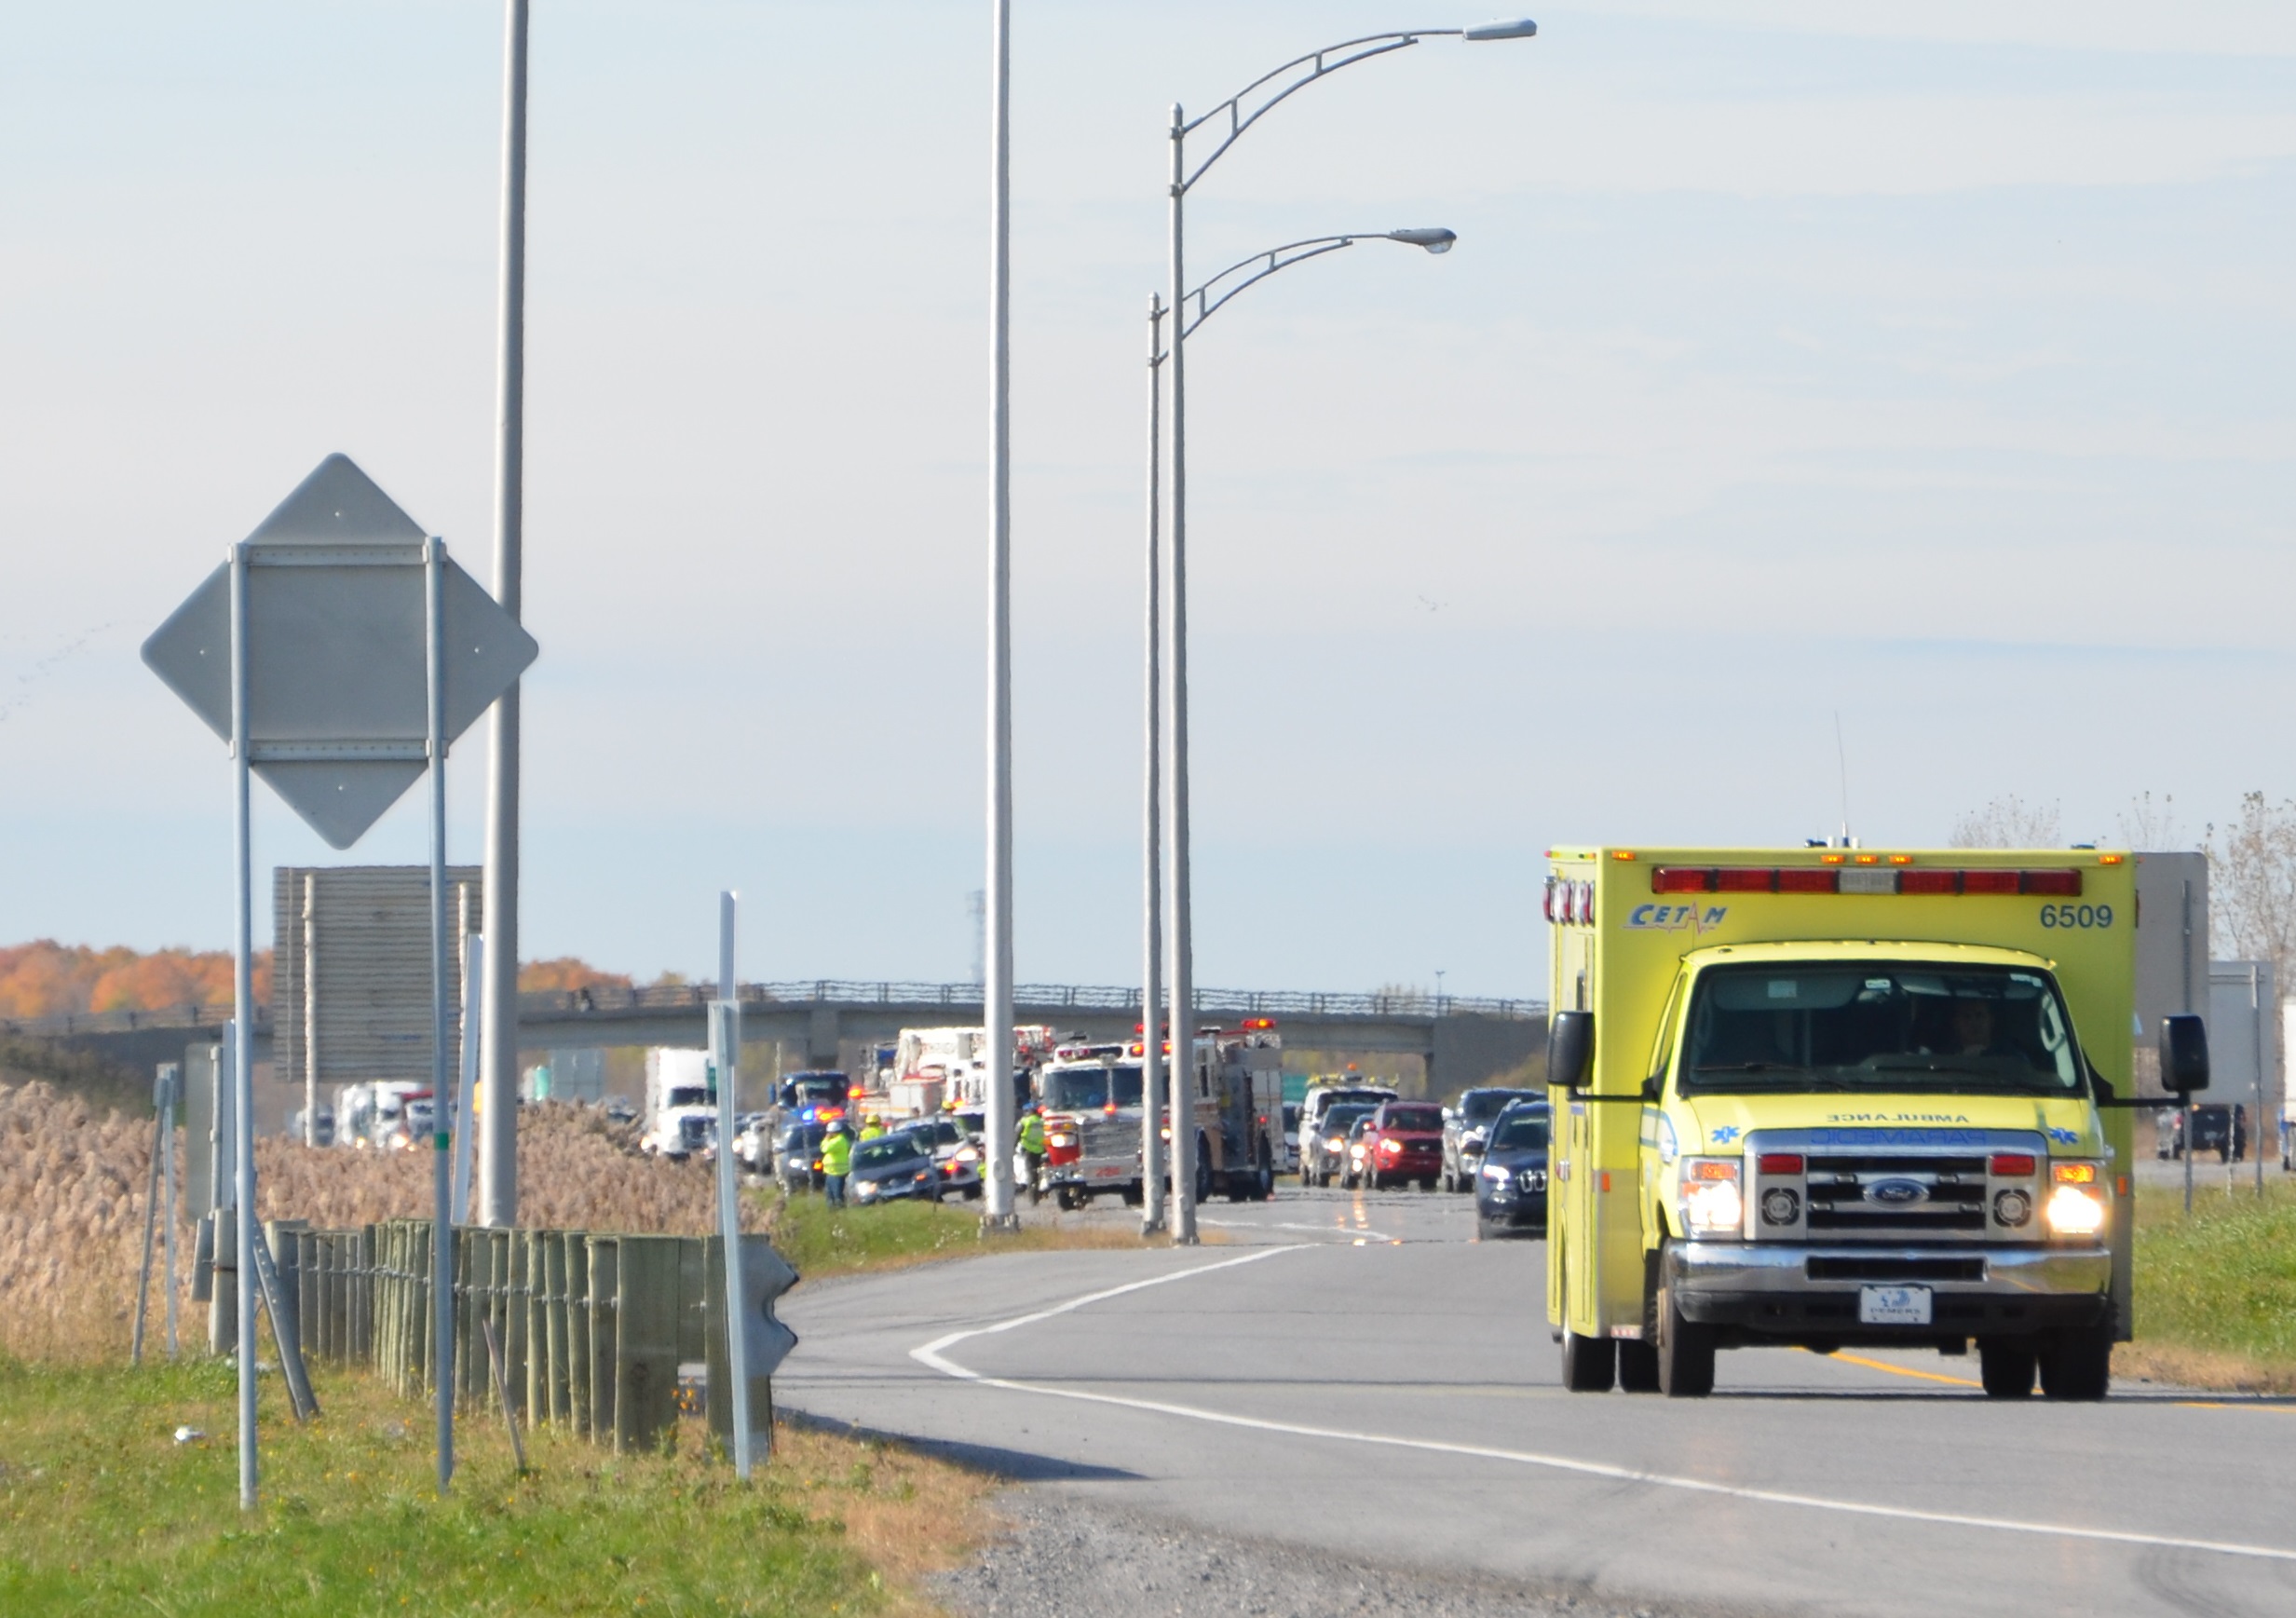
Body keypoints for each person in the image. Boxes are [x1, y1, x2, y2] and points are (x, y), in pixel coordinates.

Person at [1017, 1105, 1047, 1205]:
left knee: (1030, 1174)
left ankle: (1032, 1198)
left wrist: (1012, 1148)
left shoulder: (1025, 1121)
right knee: (1037, 1173)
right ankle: (1037, 1194)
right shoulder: (1042, 1122)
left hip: (1028, 1150)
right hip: (1040, 1150)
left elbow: (1016, 1135)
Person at [821, 1122, 852, 1208]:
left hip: (837, 1172)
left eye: (829, 1133)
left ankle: (839, 1209)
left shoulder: (838, 1141)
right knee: (829, 1194)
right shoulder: (839, 1140)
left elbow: (824, 1149)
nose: (828, 1134)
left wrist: (826, 1139)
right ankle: (833, 1209)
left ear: (833, 1132)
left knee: (837, 1195)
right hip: (832, 1172)